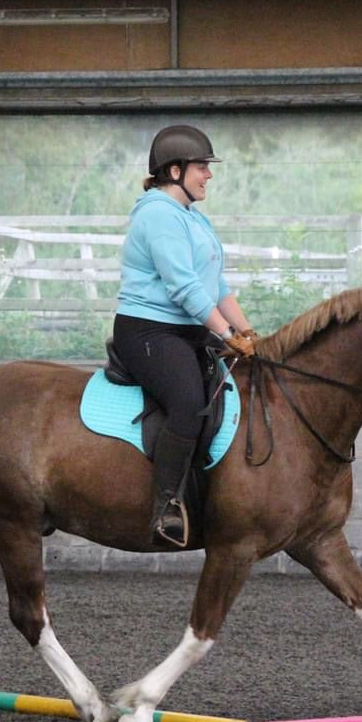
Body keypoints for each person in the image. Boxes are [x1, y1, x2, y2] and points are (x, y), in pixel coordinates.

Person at [113, 124, 257, 548]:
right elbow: (184, 287)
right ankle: (166, 507)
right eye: (201, 167)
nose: (208, 175)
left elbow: (217, 287)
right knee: (190, 402)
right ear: (174, 170)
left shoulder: (193, 217)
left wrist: (248, 333)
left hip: (190, 330)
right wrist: (227, 333)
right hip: (149, 331)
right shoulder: (158, 214)